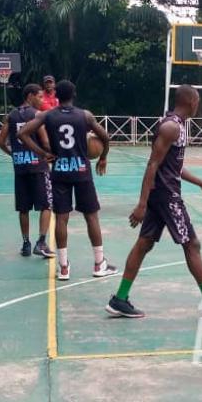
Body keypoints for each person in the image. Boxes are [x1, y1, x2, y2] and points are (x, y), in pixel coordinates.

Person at [105, 85, 202, 319]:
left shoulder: (178, 126)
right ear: (190, 101)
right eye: (197, 100)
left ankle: (119, 299)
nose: (199, 104)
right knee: (192, 244)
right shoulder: (170, 127)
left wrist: (201, 183)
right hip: (166, 196)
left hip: (162, 195)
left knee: (144, 243)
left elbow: (172, 166)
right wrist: (141, 203)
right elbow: (152, 164)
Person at [19, 80, 117, 280]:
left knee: (61, 218)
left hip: (60, 171)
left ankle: (63, 267)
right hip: (81, 171)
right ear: (74, 95)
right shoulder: (85, 115)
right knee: (91, 217)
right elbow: (105, 137)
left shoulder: (48, 115)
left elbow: (22, 133)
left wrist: (43, 153)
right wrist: (104, 157)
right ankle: (99, 264)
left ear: (56, 96)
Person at [0, 83, 54, 258]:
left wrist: (13, 155)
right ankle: (42, 242)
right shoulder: (37, 115)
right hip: (38, 165)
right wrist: (50, 154)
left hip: (20, 166)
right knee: (46, 204)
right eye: (39, 96)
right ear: (30, 96)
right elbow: (44, 141)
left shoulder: (12, 115)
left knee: (23, 208)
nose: (42, 99)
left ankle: (26, 243)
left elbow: (0, 141)